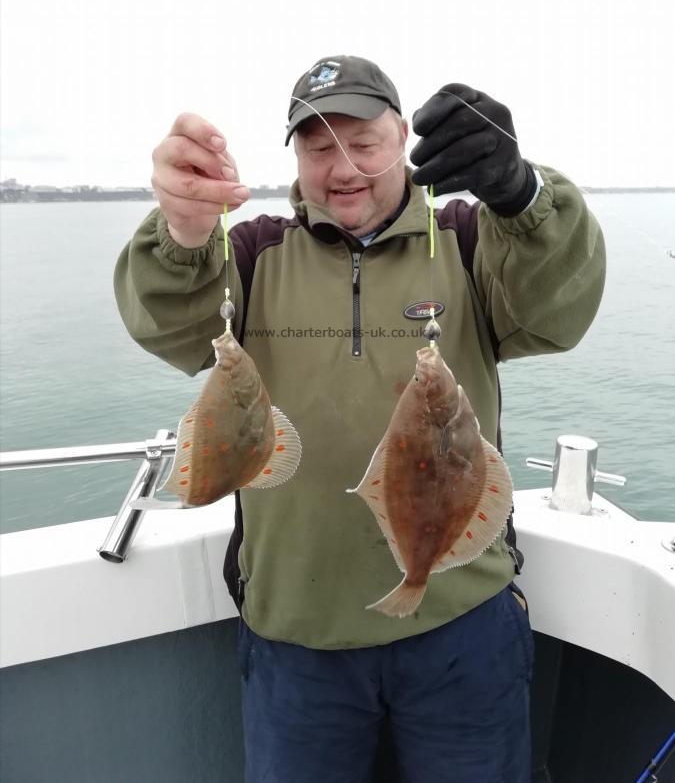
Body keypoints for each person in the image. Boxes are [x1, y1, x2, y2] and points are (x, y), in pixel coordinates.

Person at [114, 55, 606, 782]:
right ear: (295, 158)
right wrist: (183, 235)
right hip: (294, 629)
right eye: (317, 147)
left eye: (363, 142)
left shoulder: (470, 241)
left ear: (403, 136)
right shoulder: (250, 254)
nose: (341, 166)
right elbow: (170, 327)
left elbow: (556, 313)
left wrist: (521, 196)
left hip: (460, 623)